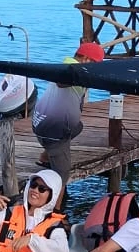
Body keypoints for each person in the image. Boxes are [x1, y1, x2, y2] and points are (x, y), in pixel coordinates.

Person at [31, 41, 105, 186]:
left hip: (40, 123)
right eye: (96, 64)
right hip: (53, 131)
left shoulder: (71, 67)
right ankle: (54, 208)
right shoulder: (71, 69)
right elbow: (62, 81)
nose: (96, 68)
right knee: (61, 177)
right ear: (85, 59)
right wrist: (78, 76)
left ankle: (46, 156)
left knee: (78, 127)